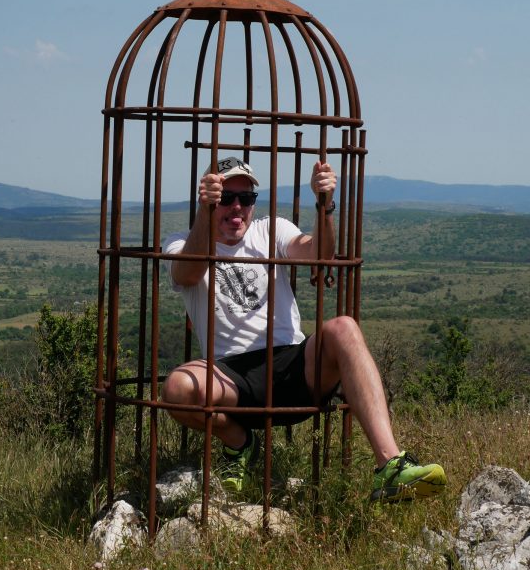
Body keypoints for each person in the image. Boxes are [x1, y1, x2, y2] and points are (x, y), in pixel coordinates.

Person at [161, 156, 446, 502]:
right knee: (177, 388)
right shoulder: (181, 243)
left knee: (344, 328)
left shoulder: (270, 231)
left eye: (246, 199)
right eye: (226, 199)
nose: (237, 208)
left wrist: (324, 205)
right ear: (208, 200)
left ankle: (390, 466)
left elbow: (318, 255)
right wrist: (205, 215)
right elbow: (186, 273)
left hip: (291, 363)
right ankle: (239, 442)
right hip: (229, 376)